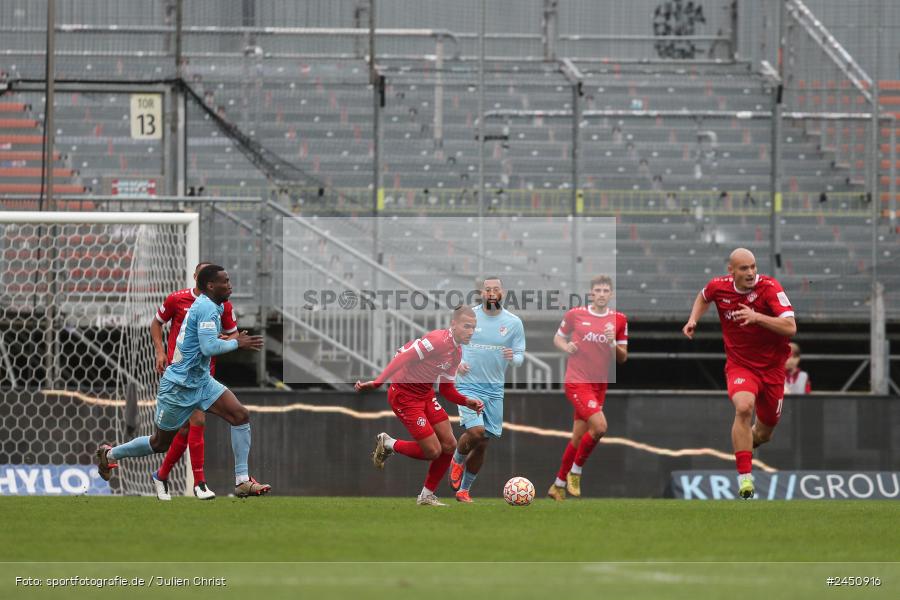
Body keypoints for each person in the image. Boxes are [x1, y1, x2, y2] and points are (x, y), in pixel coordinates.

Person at [96, 265, 271, 498]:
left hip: (202, 382)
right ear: (210, 285)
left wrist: (228, 338)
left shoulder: (212, 306)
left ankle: (241, 480)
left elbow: (206, 340)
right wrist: (237, 343)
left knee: (240, 415)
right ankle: (110, 455)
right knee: (159, 443)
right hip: (178, 386)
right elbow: (209, 346)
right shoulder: (206, 307)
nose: (230, 286)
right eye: (225, 281)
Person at [682, 248, 796, 499]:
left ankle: (749, 439)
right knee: (744, 407)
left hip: (773, 370)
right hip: (741, 365)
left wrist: (757, 317)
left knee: (765, 433)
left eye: (753, 267)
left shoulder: (770, 288)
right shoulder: (718, 287)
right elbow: (703, 297)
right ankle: (745, 479)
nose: (751, 273)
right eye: (744, 268)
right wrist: (693, 320)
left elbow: (790, 326)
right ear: (731, 271)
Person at [355, 306, 485, 506]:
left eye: (473, 328)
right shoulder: (438, 341)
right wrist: (379, 382)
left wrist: (466, 400)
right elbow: (403, 357)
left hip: (425, 395)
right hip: (404, 396)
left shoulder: (457, 352)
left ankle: (426, 496)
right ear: (453, 324)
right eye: (466, 326)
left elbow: (447, 389)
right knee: (433, 451)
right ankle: (389, 443)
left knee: (449, 445)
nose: (470, 331)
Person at [150, 262, 239, 501]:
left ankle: (162, 475)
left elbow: (234, 333)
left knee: (189, 426)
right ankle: (199, 483)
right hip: (179, 373)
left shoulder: (222, 306)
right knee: (193, 422)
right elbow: (156, 322)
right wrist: (160, 351)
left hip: (204, 374)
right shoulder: (176, 299)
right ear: (197, 278)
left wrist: (226, 338)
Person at [547, 275, 628, 501]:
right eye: (598, 290)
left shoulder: (619, 320)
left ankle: (557, 485)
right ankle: (576, 472)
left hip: (598, 386)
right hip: (577, 381)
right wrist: (567, 346)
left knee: (578, 438)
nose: (601, 294)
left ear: (610, 294)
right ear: (591, 293)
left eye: (605, 291)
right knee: (600, 427)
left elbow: (623, 358)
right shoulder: (576, 314)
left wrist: (612, 342)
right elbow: (558, 338)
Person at [448, 277, 525, 503]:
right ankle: (457, 460)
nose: (492, 292)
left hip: (494, 389)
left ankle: (464, 490)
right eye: (487, 289)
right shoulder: (468, 316)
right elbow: (449, 342)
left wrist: (514, 358)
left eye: (496, 289)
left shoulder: (513, 323)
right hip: (468, 384)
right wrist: (456, 363)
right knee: (476, 432)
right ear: (481, 293)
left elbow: (520, 355)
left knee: (483, 443)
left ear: (503, 292)